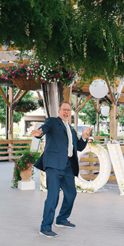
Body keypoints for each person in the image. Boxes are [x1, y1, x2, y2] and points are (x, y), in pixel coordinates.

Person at [30, 102, 92, 237]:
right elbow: (44, 129)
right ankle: (45, 227)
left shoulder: (71, 129)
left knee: (71, 193)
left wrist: (84, 136)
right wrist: (39, 133)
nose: (66, 112)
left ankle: (62, 219)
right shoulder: (52, 122)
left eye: (69, 110)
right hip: (54, 165)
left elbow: (79, 147)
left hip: (68, 166)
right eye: (64, 109)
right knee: (53, 196)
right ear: (59, 111)